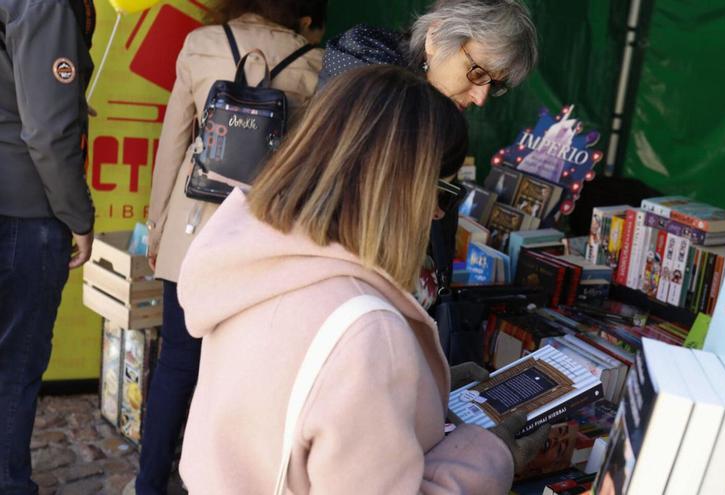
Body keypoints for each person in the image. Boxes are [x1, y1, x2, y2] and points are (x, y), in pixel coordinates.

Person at [175, 65, 547, 494]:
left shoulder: (254, 255)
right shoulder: (365, 333)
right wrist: (486, 456)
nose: (439, 213)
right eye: (442, 192)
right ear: (396, 188)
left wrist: (424, 393)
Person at [134, 1, 326, 493]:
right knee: (239, 368)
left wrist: (158, 228)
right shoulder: (312, 62)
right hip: (263, 236)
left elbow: (173, 142)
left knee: (177, 357)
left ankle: (150, 482)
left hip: (191, 230)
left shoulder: (201, 45)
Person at [319, 0, 539, 310]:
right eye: (477, 72)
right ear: (435, 38)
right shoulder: (370, 84)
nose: (481, 97)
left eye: (496, 84)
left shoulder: (429, 100)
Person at [0, 0, 96, 493]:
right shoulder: (47, 4)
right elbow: (47, 131)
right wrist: (79, 217)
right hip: (24, 211)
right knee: (15, 368)